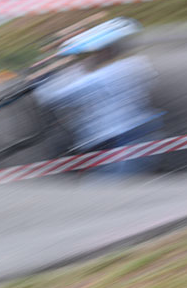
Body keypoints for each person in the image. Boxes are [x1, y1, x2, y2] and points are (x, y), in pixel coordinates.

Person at [34, 17, 163, 177]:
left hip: (116, 140)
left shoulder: (99, 77)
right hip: (141, 131)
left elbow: (52, 96)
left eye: (92, 53)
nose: (89, 57)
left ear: (104, 51)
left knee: (107, 190)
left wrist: (49, 74)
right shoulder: (137, 64)